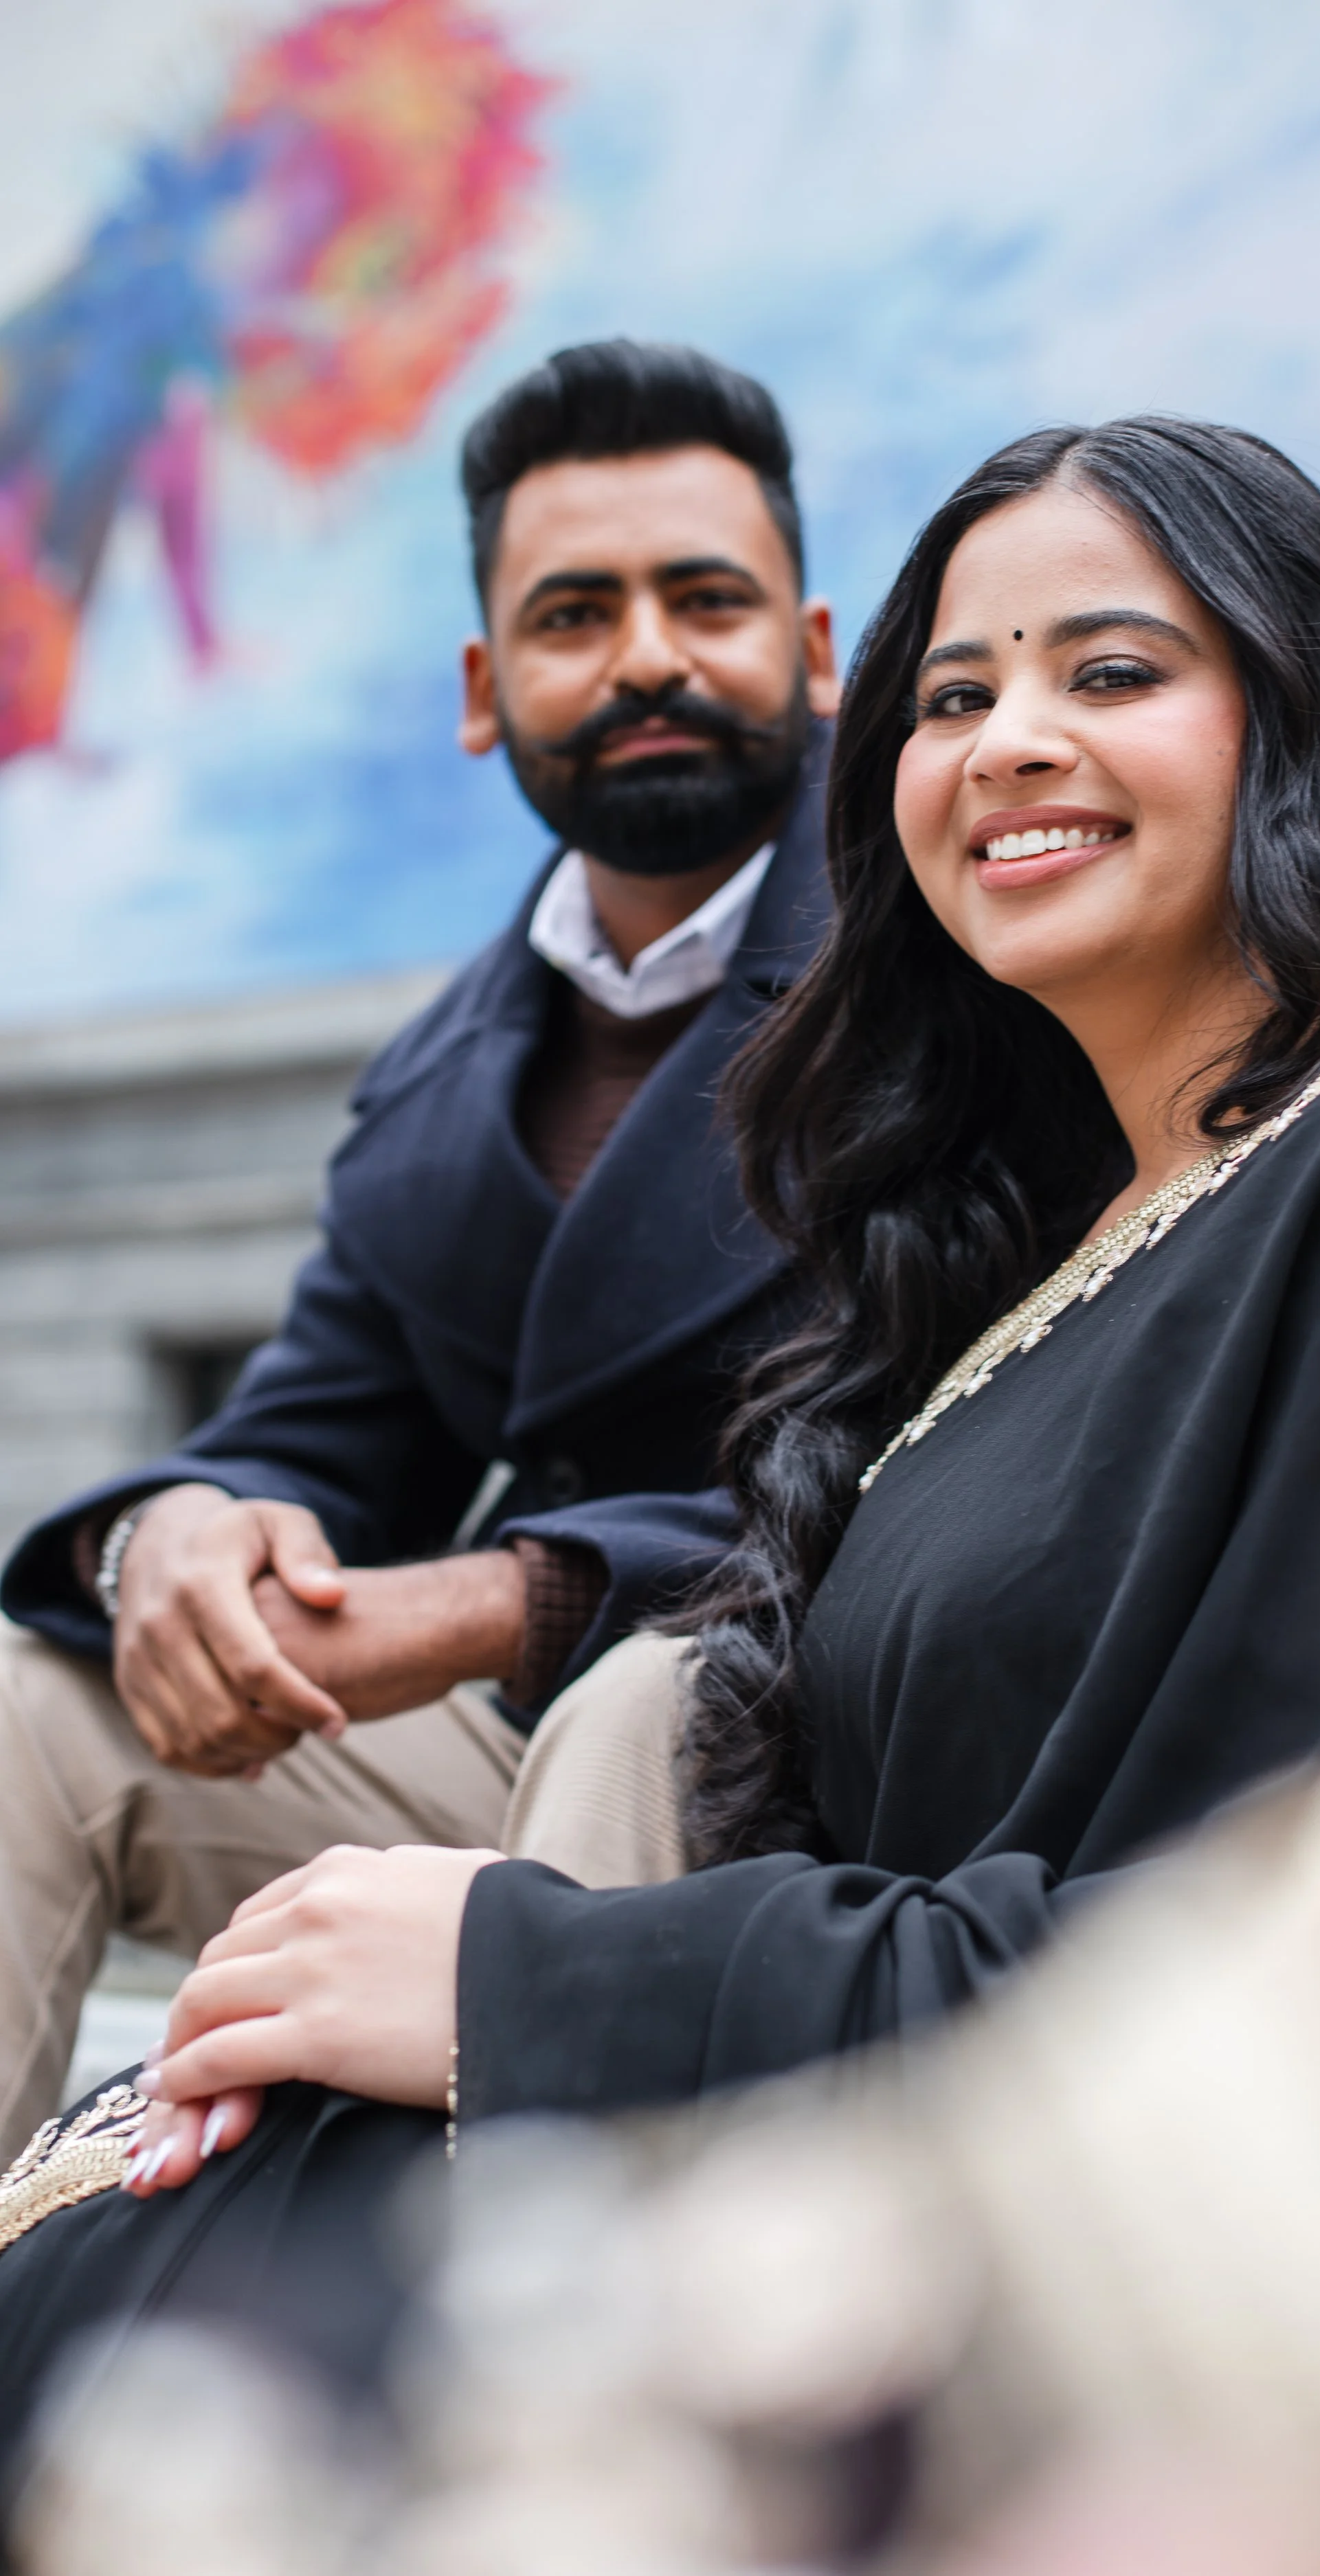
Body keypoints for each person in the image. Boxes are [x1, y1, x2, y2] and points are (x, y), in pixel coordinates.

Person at [3, 414, 1320, 2454]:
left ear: (1300, 708)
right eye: (952, 697)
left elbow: (1268, 1934)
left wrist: (524, 1978)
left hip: (1168, 2200)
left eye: (1109, 671)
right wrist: (203, 1546)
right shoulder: (1030, 1211)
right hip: (868, 2038)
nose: (1003, 742)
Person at [0, 339, 841, 2156]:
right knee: (24, 1705)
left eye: (705, 598)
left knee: (637, 1706)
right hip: (540, 1766)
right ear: (486, 687)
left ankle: (504, 2404)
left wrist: (502, 1598)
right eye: (573, 612)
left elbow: (982, 1432)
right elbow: (317, 1435)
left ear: (820, 651)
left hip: (875, 1760)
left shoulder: (967, 960)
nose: (644, 658)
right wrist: (179, 1535)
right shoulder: (441, 1083)